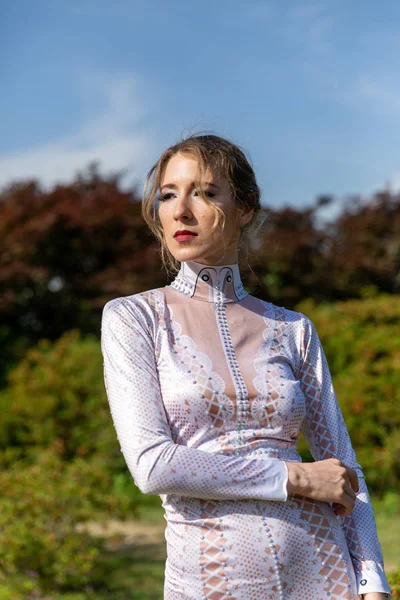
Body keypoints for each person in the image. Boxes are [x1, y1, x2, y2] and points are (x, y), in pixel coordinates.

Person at [101, 134, 391, 599]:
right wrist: (294, 477)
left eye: (206, 192)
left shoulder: (293, 328)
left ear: (245, 209)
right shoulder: (135, 318)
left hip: (326, 576)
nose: (181, 210)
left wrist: (374, 584)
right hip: (212, 580)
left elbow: (344, 467)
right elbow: (153, 466)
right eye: (169, 194)